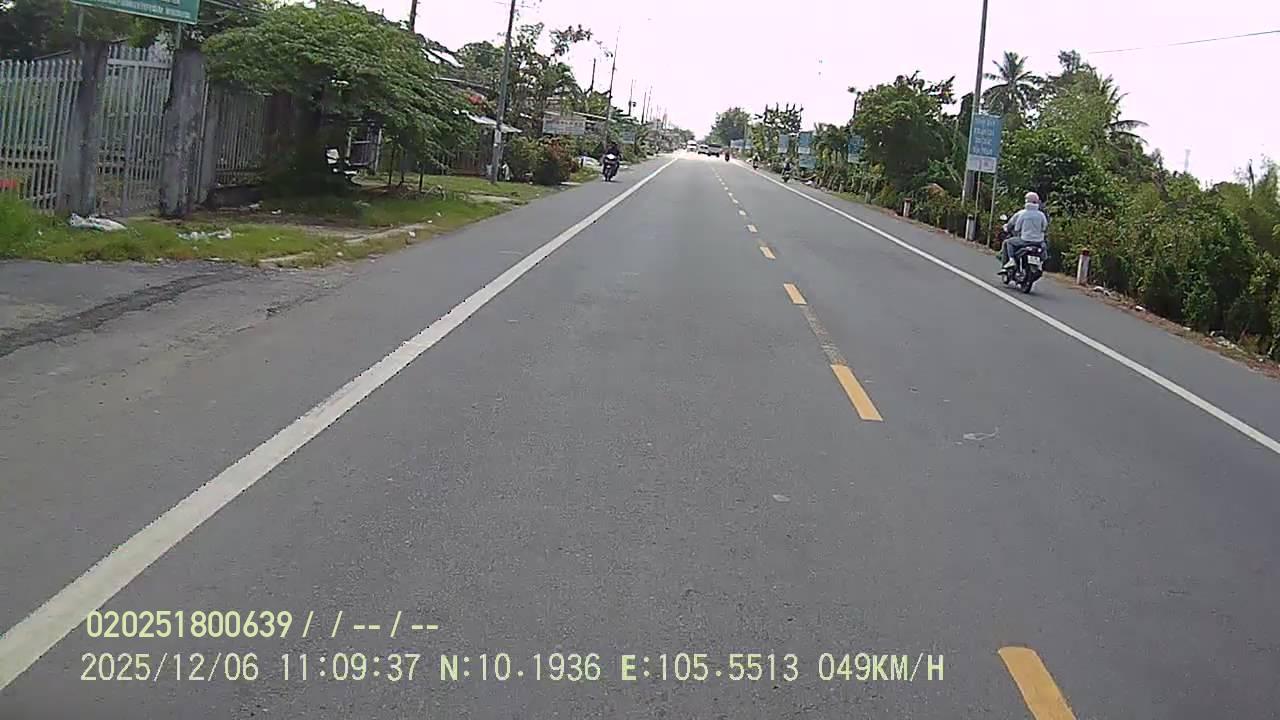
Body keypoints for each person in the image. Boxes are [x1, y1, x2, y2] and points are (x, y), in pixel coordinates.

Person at [999, 191, 1049, 274]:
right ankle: (1040, 264)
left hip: (1025, 240)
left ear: (1026, 201)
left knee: (1009, 242)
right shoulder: (1041, 215)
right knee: (1044, 248)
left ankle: (1011, 260)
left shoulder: (1023, 213)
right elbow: (1044, 227)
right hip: (1038, 242)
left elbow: (1017, 228)